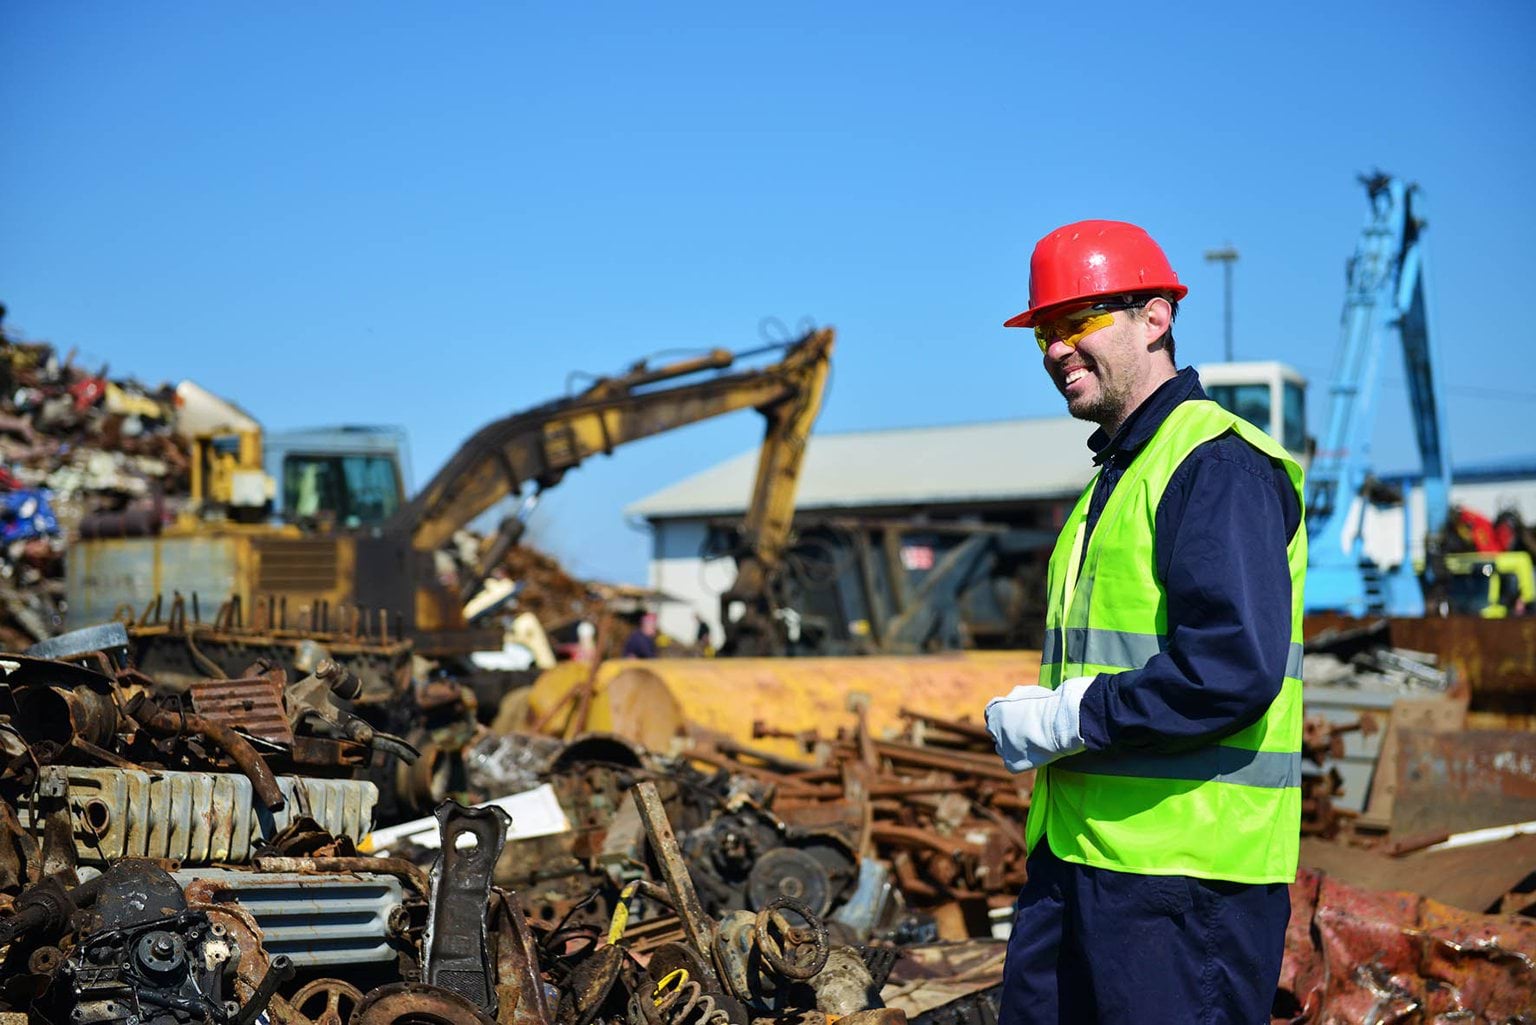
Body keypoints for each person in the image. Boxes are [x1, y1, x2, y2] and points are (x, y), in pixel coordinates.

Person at [985, 220, 1306, 1024]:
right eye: (1045, 332)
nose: (1056, 349)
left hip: (1184, 885)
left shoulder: (1215, 462)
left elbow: (1230, 669)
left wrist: (1069, 715)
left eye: (1079, 322)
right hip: (1080, 862)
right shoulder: (1116, 478)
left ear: (1155, 316)